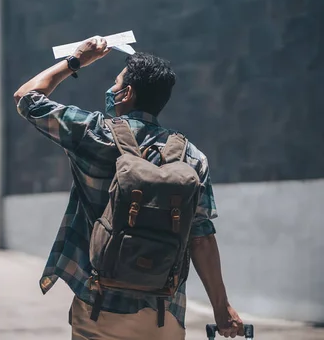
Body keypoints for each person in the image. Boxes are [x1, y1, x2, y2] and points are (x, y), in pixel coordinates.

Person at [13, 36, 244, 340]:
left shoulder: (94, 134)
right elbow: (201, 238)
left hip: (99, 307)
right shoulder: (193, 157)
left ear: (126, 93)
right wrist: (221, 307)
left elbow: (26, 97)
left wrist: (77, 61)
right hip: (164, 313)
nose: (111, 90)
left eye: (116, 82)